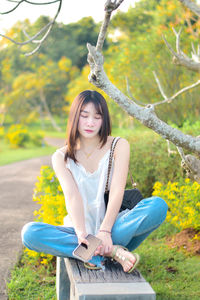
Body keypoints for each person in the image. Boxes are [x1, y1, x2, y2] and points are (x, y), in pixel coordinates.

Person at [21, 90, 168, 272]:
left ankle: (92, 252)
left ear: (104, 119)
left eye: (97, 117)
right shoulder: (61, 156)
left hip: (115, 229)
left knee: (158, 206)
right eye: (84, 116)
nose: (90, 122)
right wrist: (82, 233)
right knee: (30, 233)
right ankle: (108, 251)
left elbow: (117, 190)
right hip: (78, 233)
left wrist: (105, 231)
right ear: (75, 116)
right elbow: (73, 197)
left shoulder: (119, 145)